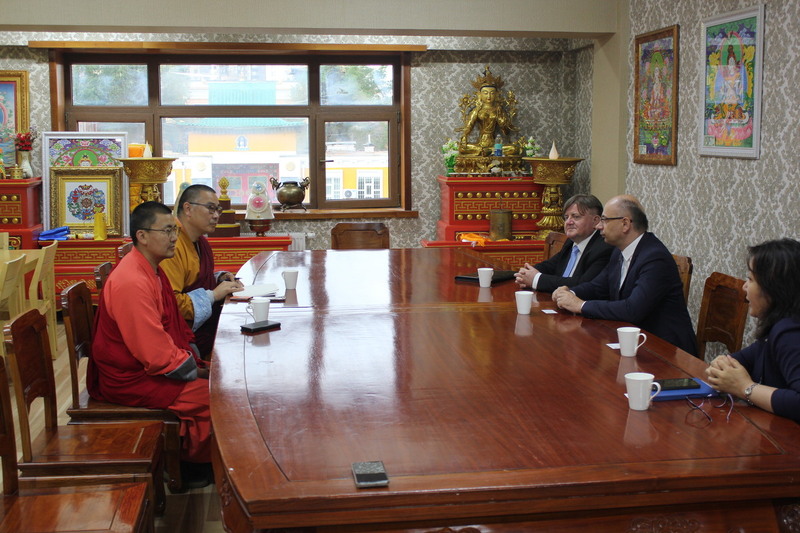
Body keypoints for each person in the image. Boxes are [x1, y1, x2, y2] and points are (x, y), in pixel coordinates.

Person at [90, 201, 214, 487]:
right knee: (212, 397)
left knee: (219, 382)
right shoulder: (132, 280)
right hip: (130, 377)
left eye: (175, 230)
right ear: (142, 236)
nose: (174, 238)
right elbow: (153, 353)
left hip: (146, 366)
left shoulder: (151, 268)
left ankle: (195, 459)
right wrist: (195, 371)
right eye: (167, 230)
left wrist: (196, 362)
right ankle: (189, 467)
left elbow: (170, 327)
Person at [552, 195, 697, 356]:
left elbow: (632, 309)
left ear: (625, 224)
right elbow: (598, 286)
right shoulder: (618, 251)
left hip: (667, 351)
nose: (599, 226)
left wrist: (581, 305)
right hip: (634, 341)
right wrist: (570, 293)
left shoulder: (655, 258)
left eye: (605, 220)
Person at [705, 239, 800, 422]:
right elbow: (742, 360)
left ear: (774, 289)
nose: (744, 286)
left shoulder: (790, 332)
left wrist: (745, 388)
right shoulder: (778, 327)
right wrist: (722, 367)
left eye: (750, 279)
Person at [161, 184, 243, 360]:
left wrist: (219, 278)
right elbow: (172, 303)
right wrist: (213, 295)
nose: (216, 216)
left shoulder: (198, 241)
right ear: (188, 209)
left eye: (218, 210)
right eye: (210, 209)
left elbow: (196, 278)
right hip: (178, 337)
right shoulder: (171, 244)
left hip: (200, 327)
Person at [515, 194, 613, 293]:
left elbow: (583, 283)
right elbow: (550, 265)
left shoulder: (604, 247)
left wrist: (536, 279)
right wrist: (525, 274)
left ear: (595, 220)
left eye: (576, 217)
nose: (568, 222)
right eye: (566, 217)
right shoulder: (571, 241)